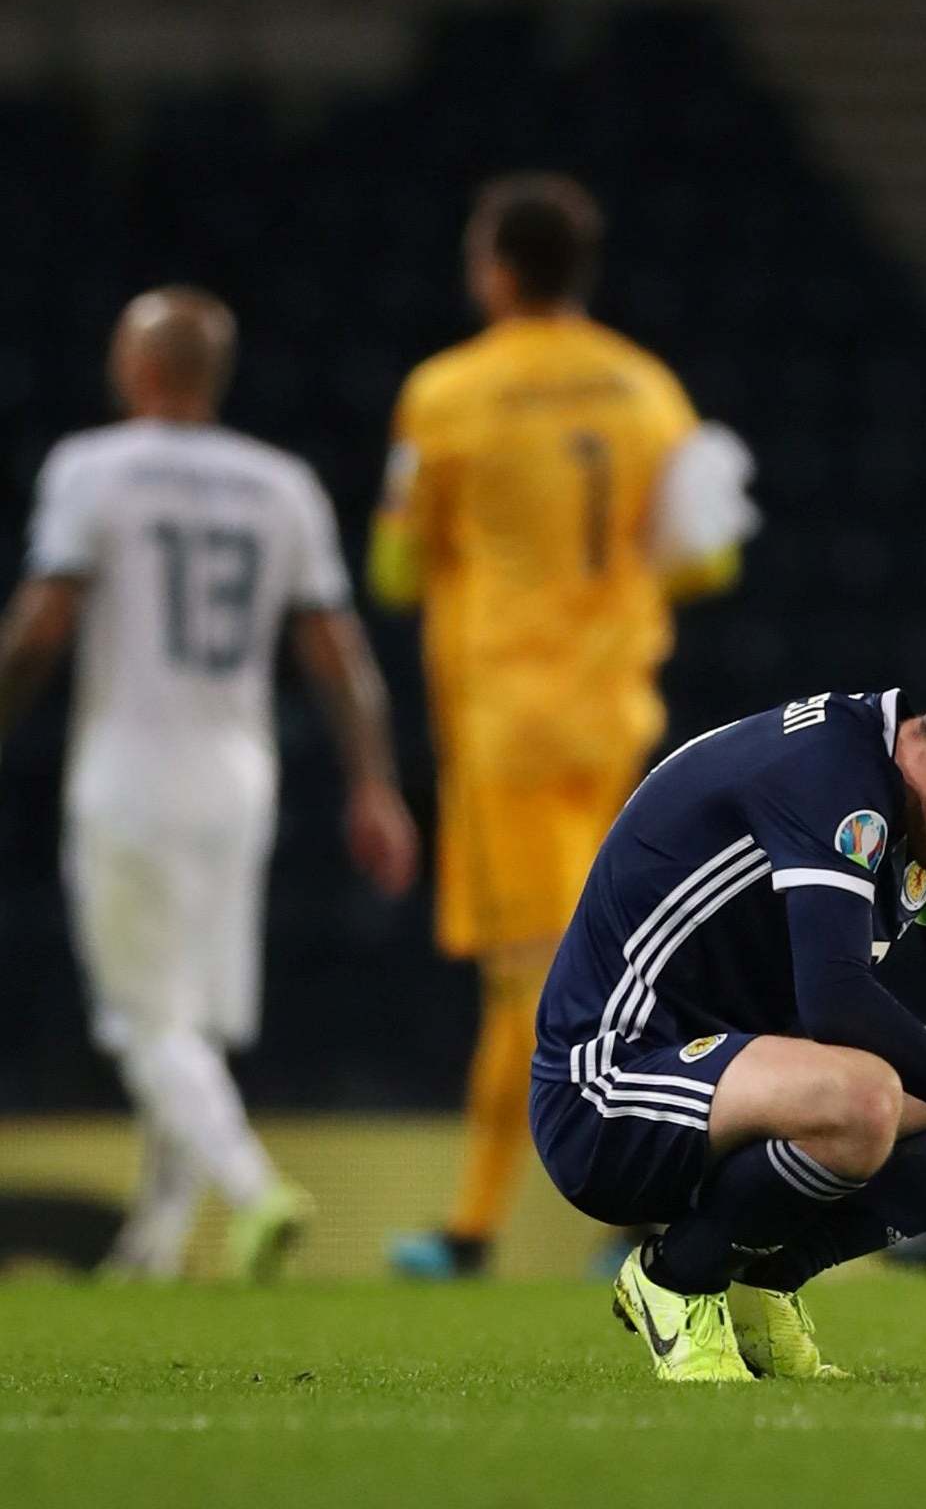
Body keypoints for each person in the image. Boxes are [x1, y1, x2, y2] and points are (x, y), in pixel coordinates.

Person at [529, 671, 926, 1383]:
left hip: (739, 1075)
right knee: (866, 1097)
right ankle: (676, 1280)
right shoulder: (830, 776)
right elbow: (836, 1000)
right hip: (608, 1091)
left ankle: (764, 1281)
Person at [373, 174, 755, 1280]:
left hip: (508, 720)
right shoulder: (648, 389)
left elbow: (395, 566)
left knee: (532, 978)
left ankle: (475, 1229)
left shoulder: (446, 391)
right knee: (630, 968)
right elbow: (706, 556)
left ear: (494, 269)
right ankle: (641, 1205)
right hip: (618, 720)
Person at [0, 287, 418, 1280]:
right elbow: (339, 653)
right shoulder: (280, 484)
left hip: (130, 768)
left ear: (137, 366)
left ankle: (252, 1185)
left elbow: (40, 629)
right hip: (238, 775)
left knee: (148, 1022)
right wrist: (375, 783)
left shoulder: (91, 469)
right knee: (190, 1019)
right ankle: (149, 1249)